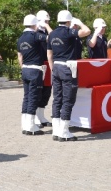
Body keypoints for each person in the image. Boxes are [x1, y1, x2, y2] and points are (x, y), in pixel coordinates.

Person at [47, 11, 91, 142]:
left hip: (56, 67)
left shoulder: (52, 34)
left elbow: (49, 54)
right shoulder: (68, 32)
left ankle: (56, 130)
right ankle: (64, 131)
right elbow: (87, 31)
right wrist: (79, 23)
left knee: (57, 99)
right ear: (69, 21)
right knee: (68, 99)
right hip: (67, 67)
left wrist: (53, 68)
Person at [17, 14, 49, 136]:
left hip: (25, 69)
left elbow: (20, 56)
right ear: (35, 24)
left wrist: (24, 67)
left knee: (26, 97)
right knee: (33, 97)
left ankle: (24, 124)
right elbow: (51, 38)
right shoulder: (35, 35)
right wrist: (46, 25)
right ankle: (30, 126)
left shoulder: (20, 38)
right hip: (35, 69)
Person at [34, 10, 53, 127]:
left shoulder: (47, 31)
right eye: (45, 21)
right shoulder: (34, 32)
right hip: (38, 64)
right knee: (38, 91)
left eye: (48, 21)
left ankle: (41, 115)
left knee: (47, 90)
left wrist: (46, 26)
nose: (47, 23)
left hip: (48, 63)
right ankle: (35, 115)